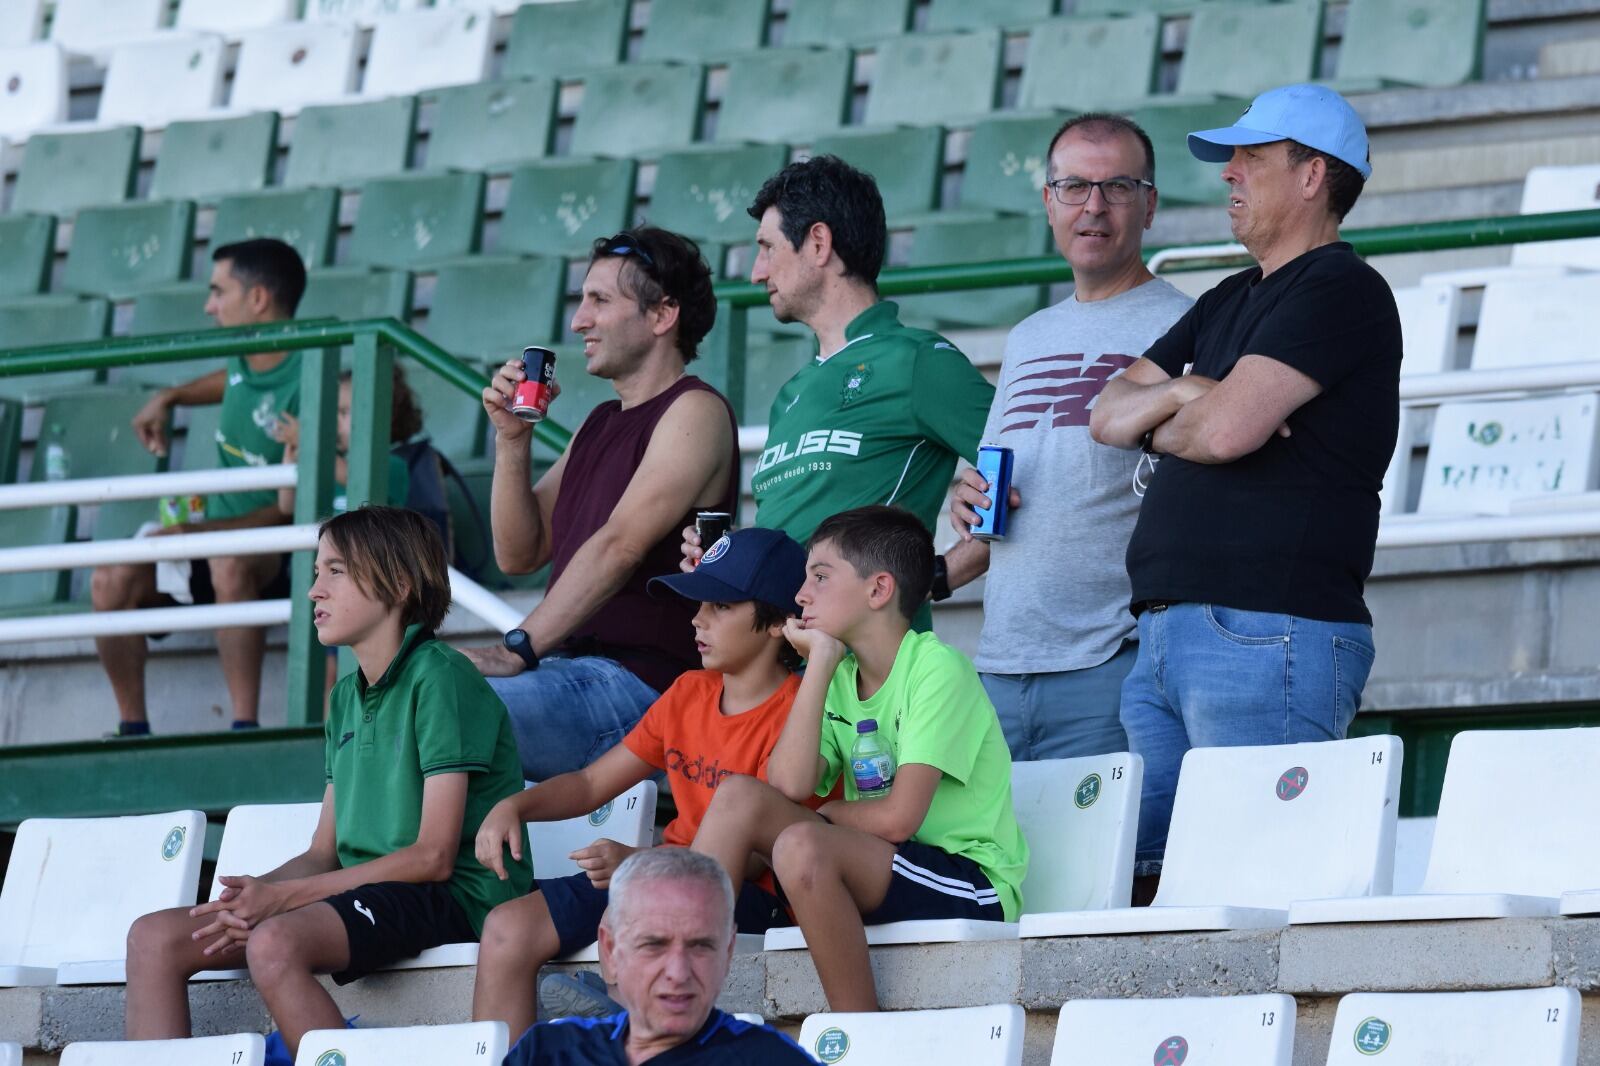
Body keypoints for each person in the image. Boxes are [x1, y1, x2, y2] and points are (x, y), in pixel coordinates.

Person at [1089, 84, 1401, 878]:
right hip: (1172, 634)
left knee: (1251, 881)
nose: (1229, 172)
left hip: (1269, 631)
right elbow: (1104, 413)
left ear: (1311, 177)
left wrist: (1189, 408)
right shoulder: (1231, 295)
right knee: (1141, 886)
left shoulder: (1341, 288)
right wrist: (1186, 392)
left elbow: (1227, 431)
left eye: (1251, 157)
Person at [123, 506, 531, 1059]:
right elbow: (323, 853)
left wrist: (284, 902)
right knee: (155, 940)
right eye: (316, 574)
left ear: (399, 583)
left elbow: (433, 857)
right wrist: (253, 898)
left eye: (334, 572)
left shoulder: (440, 675)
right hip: (372, 890)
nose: (314, 591)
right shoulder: (344, 696)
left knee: (273, 943)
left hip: (454, 896)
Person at [470, 527, 809, 1038]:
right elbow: (589, 784)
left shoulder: (799, 712)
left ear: (778, 624)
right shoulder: (687, 691)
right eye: (698, 604)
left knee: (643, 923)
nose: (697, 619)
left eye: (719, 606)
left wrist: (640, 864)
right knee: (506, 930)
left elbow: (759, 854)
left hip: (746, 897)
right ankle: (607, 1017)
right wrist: (515, 806)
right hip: (654, 875)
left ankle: (615, 1016)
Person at [692, 506, 1028, 1012]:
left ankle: (861, 1034)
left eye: (820, 577)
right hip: (881, 866)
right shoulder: (838, 674)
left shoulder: (936, 668)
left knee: (804, 844)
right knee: (740, 796)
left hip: (968, 882)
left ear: (878, 590)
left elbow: (898, 818)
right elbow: (787, 782)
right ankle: (682, 985)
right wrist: (821, 663)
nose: (801, 595)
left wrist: (826, 818)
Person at [943, 114, 1195, 762]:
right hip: (1000, 663)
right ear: (1048, 202)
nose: (1094, 206)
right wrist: (965, 498)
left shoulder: (1185, 324)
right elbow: (1009, 495)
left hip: (1112, 666)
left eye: (1117, 186)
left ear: (1151, 204)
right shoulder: (1027, 337)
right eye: (1074, 186)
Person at [463, 228, 740, 782]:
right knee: (395, 694)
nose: (578, 322)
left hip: (643, 685)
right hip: (572, 674)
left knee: (447, 709)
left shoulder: (695, 410)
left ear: (663, 315)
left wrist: (518, 648)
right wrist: (512, 444)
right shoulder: (599, 423)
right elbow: (520, 552)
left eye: (599, 301)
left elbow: (621, 545)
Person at [679, 156, 993, 630]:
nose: (756, 273)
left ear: (819, 243)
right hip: (784, 667)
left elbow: (1034, 466)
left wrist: (941, 574)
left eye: (767, 248)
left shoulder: (917, 359)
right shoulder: (792, 393)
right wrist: (730, 561)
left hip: (867, 680)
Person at [92, 238, 306, 735]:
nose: (209, 306)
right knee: (108, 578)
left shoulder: (312, 372)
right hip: (207, 537)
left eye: (217, 291)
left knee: (228, 562)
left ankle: (243, 727)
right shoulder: (243, 357)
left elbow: (292, 510)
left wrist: (202, 533)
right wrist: (171, 396)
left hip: (276, 552)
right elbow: (228, 379)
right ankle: (132, 730)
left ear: (257, 300)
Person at [502, 849, 813, 1065]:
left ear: (727, 952)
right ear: (611, 952)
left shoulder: (771, 1060)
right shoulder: (545, 1051)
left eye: (701, 946)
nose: (678, 972)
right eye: (653, 945)